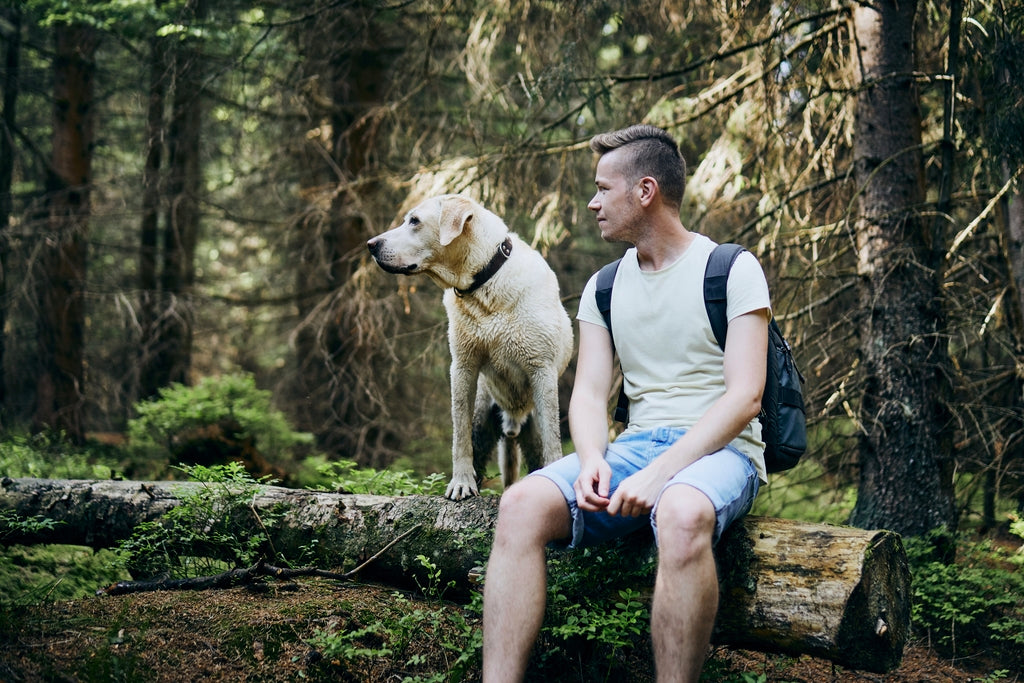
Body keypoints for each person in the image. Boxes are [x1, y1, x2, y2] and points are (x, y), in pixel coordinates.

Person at [481, 124, 772, 682]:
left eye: (602, 188)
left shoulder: (732, 269)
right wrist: (592, 457)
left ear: (645, 191)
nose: (593, 203)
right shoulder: (605, 287)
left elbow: (745, 398)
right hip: (635, 449)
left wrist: (664, 474)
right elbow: (589, 393)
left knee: (682, 511)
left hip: (722, 452)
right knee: (519, 506)